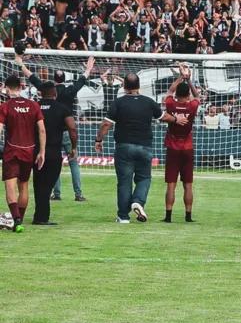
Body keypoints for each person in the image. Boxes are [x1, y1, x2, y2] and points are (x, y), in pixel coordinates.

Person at [94, 73, 187, 223]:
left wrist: (99, 139)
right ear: (139, 86)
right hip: (144, 147)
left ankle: (123, 217)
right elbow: (164, 116)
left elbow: (106, 123)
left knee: (124, 181)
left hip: (124, 146)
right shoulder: (148, 102)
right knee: (144, 178)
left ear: (124, 87)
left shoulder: (118, 102)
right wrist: (177, 119)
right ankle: (138, 201)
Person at [20, 55, 94, 202]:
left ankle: (57, 193)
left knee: (53, 161)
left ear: (54, 79)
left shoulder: (47, 90)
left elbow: (32, 77)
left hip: (51, 133)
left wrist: (21, 63)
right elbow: (82, 80)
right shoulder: (70, 90)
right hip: (67, 131)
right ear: (64, 79)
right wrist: (88, 69)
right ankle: (78, 193)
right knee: (73, 163)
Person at [0, 74, 45, 232]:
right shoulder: (33, 105)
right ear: (21, 87)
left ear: (6, 88)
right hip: (29, 150)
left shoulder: (5, 106)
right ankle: (19, 220)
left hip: (11, 151)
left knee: (10, 187)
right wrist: (42, 151)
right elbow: (41, 129)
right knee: (24, 186)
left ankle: (16, 221)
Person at [33, 81, 77, 226]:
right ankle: (41, 217)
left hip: (35, 151)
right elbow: (72, 128)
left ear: (41, 94)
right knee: (47, 185)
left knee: (38, 184)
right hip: (52, 152)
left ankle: (39, 215)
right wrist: (74, 147)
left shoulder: (34, 107)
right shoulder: (62, 109)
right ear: (55, 94)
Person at [163, 64, 200, 223]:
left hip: (172, 147)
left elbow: (170, 91)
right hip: (187, 148)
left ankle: (169, 216)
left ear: (178, 93)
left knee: (171, 184)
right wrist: (188, 80)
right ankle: (188, 215)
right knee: (188, 184)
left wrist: (180, 77)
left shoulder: (171, 104)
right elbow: (197, 95)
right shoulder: (192, 107)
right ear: (188, 94)